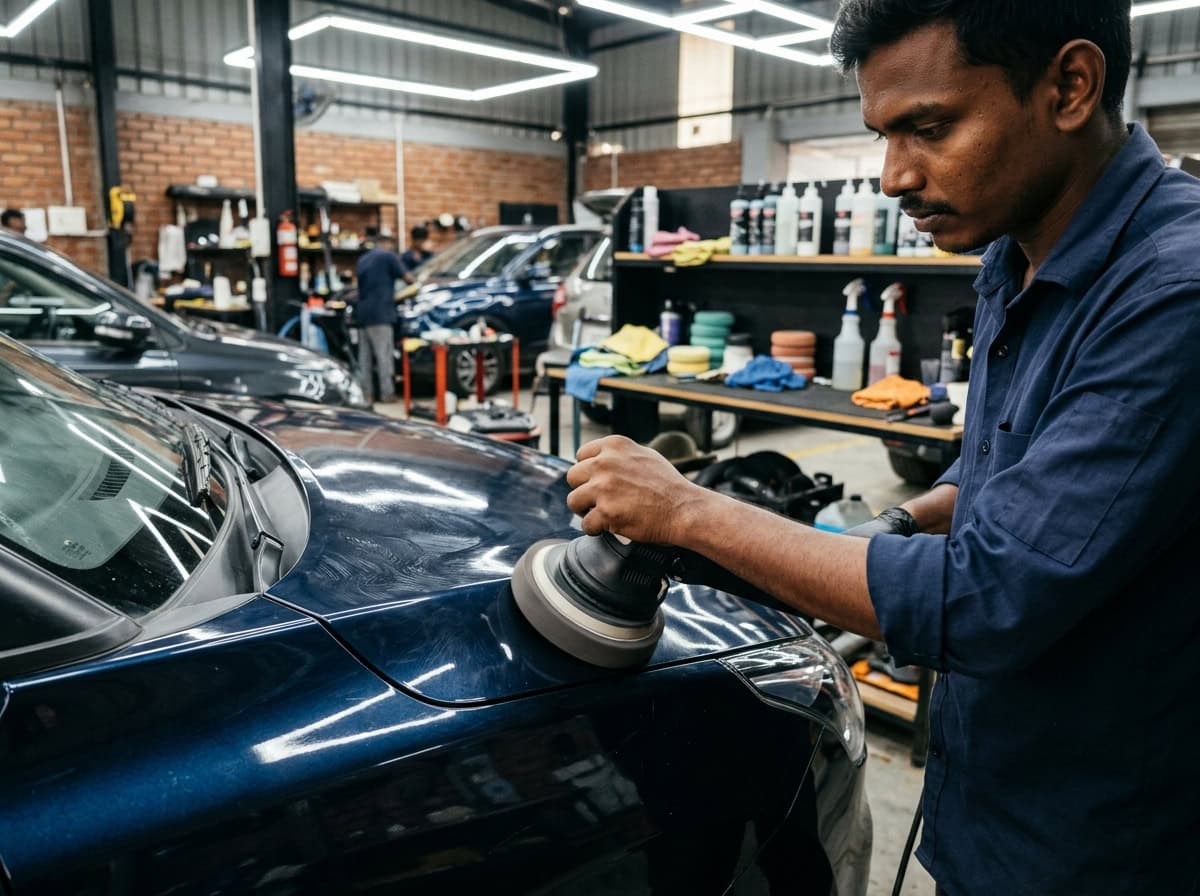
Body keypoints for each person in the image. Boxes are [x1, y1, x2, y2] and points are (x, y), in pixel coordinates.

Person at [564, 2, 1200, 894]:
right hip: (986, 796)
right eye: (882, 135)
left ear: (1070, 85)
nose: (894, 176)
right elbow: (1000, 464)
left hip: (1101, 841)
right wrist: (900, 521)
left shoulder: (1175, 294)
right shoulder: (1013, 257)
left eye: (929, 127)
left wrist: (690, 511)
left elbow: (988, 598)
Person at [352, 233, 407, 404]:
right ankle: (387, 394)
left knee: (365, 358)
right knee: (384, 356)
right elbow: (407, 277)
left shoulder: (363, 259)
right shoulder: (388, 256)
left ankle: (367, 395)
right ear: (386, 243)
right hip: (381, 314)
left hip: (362, 314)